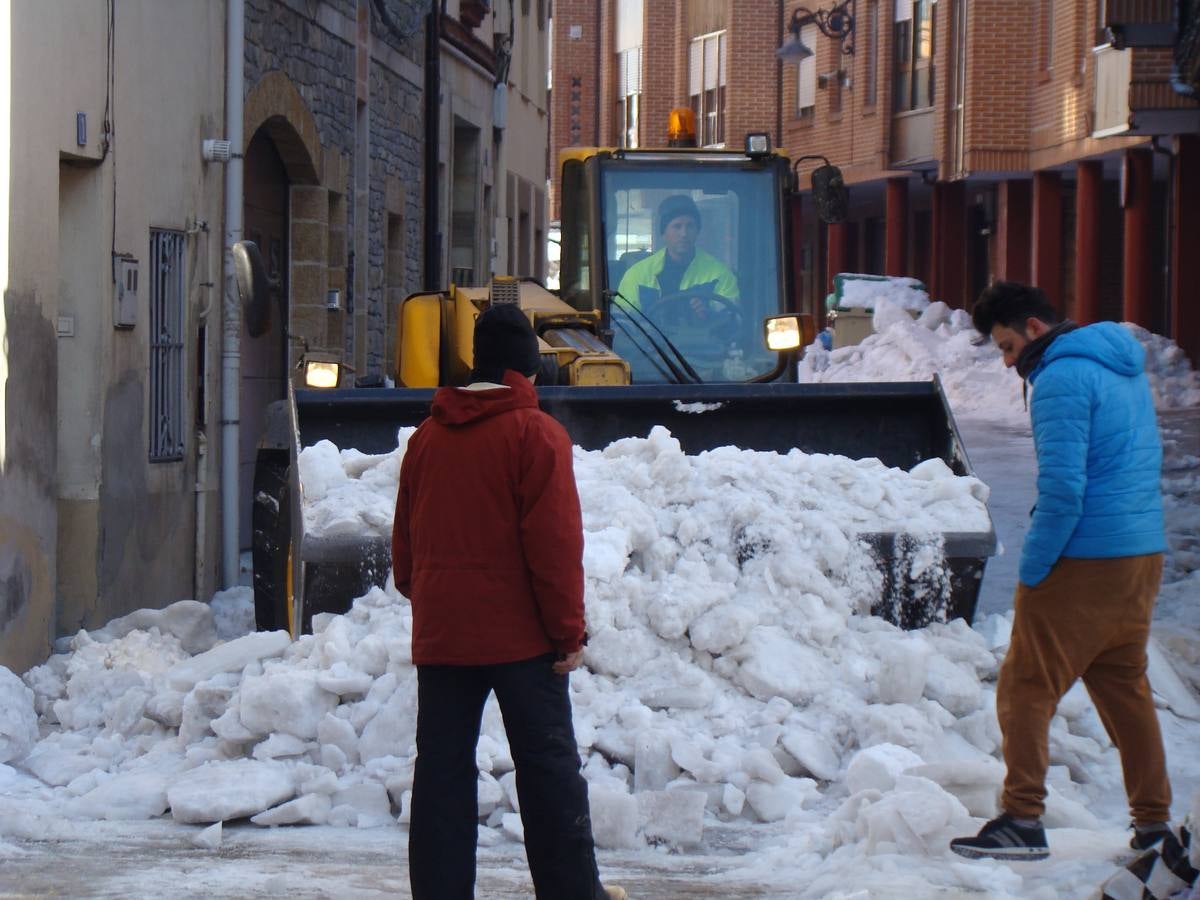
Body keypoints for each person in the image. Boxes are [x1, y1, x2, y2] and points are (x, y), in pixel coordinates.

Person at [392, 303, 624, 900]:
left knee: (441, 774)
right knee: (547, 771)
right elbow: (554, 547)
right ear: (527, 370)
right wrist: (567, 636)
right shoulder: (536, 435)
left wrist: (437, 599)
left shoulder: (426, 439)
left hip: (444, 639)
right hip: (524, 642)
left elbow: (405, 551)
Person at [950, 281, 1174, 862]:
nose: (1006, 362)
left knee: (1025, 685)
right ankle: (1154, 826)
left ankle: (1022, 818)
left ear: (1032, 328)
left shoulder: (1059, 379)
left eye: (1005, 346)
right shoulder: (1121, 366)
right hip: (1140, 552)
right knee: (1124, 686)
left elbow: (1063, 488)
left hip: (1085, 556)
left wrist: (1036, 566)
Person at [616, 193, 739, 318]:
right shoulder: (636, 276)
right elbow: (623, 325)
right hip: (651, 338)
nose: (684, 233)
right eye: (677, 226)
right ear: (663, 233)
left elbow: (734, 322)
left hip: (705, 338)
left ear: (698, 231)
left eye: (690, 226)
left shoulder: (720, 274)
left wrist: (709, 315)